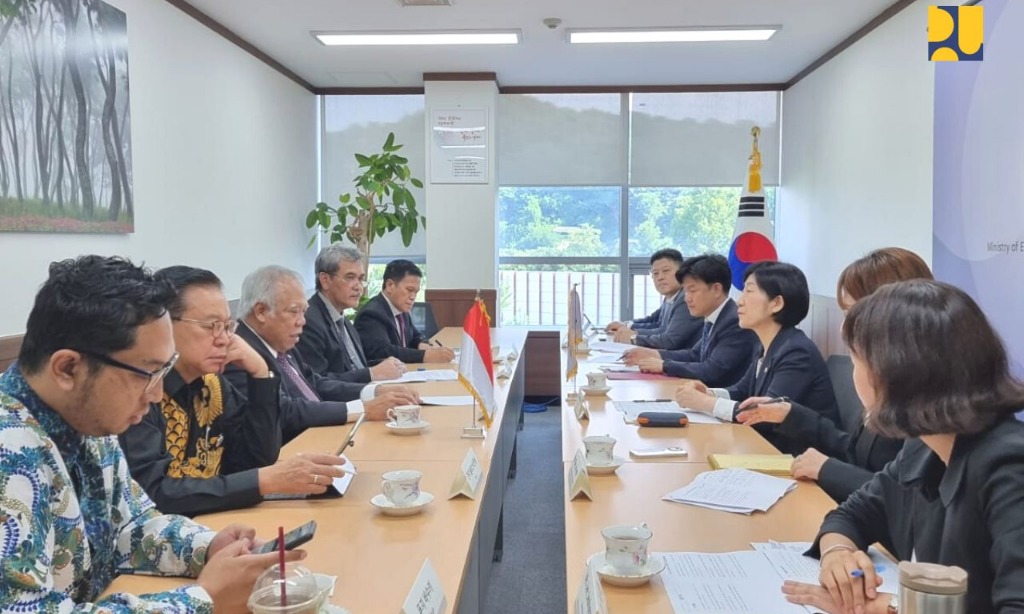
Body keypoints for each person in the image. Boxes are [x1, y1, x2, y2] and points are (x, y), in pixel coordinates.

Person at [0, 256, 304, 612]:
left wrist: (208, 547)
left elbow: (133, 524)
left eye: (165, 371)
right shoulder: (11, 454)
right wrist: (202, 599)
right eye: (147, 373)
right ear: (68, 368)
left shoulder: (88, 419)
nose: (158, 395)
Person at [782, 281, 1024, 614]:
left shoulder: (1010, 465)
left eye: (856, 360)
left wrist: (889, 608)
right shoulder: (924, 447)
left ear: (891, 372)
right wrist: (837, 554)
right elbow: (851, 515)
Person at [120, 266, 346, 517]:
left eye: (227, 326)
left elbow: (256, 458)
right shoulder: (141, 391)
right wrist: (264, 481)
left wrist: (261, 374)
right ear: (163, 326)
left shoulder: (212, 384)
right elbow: (155, 492)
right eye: (211, 326)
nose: (224, 339)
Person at [738, 247, 931, 501]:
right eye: (845, 314)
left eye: (853, 313)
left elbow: (908, 499)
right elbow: (855, 453)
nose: (843, 327)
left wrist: (828, 470)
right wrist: (791, 413)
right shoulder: (887, 377)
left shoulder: (928, 395)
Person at [228, 265, 419, 442]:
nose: (302, 321)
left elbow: (316, 383)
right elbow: (284, 410)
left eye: (303, 312)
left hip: (325, 434)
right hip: (295, 451)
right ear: (261, 311)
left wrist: (373, 391)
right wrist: (363, 409)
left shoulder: (279, 342)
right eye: (294, 312)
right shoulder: (239, 355)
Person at [674, 261, 839, 454]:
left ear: (776, 303)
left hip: (800, 460)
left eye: (749, 291)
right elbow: (742, 390)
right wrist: (709, 393)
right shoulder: (766, 344)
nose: (739, 301)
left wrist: (704, 403)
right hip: (768, 449)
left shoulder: (796, 351)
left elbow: (764, 415)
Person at [623, 254, 756, 387]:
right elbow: (694, 354)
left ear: (716, 289)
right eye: (685, 291)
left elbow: (713, 370)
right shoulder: (714, 316)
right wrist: (655, 354)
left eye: (692, 290)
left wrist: (665, 365)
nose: (687, 298)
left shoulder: (735, 321)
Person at [299, 245, 406, 383]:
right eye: (350, 278)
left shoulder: (344, 321)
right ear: (325, 280)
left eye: (360, 279)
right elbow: (317, 382)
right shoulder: (308, 321)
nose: (358, 287)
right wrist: (372, 374)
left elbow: (354, 367)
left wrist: (385, 365)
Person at [354, 259, 454, 364]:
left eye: (416, 292)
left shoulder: (401, 310)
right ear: (390, 286)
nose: (413, 297)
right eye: (409, 290)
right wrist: (424, 356)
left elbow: (415, 335)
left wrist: (421, 344)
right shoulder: (372, 314)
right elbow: (383, 351)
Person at [606, 248, 703, 350]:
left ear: (681, 272)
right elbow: (654, 321)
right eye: (655, 273)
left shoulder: (686, 299)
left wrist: (633, 337)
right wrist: (626, 326)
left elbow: (670, 340)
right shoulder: (672, 296)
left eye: (666, 271)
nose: (660, 277)